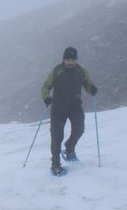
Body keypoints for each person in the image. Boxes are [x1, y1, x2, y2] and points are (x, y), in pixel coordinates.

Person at [40, 47, 97, 175]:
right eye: (68, 60)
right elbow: (46, 86)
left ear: (76, 60)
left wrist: (92, 89)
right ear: (64, 60)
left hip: (75, 106)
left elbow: (88, 84)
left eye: (72, 60)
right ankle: (55, 164)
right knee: (56, 136)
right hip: (58, 108)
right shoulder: (57, 71)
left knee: (79, 129)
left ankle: (70, 147)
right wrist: (46, 97)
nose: (70, 62)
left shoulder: (81, 71)